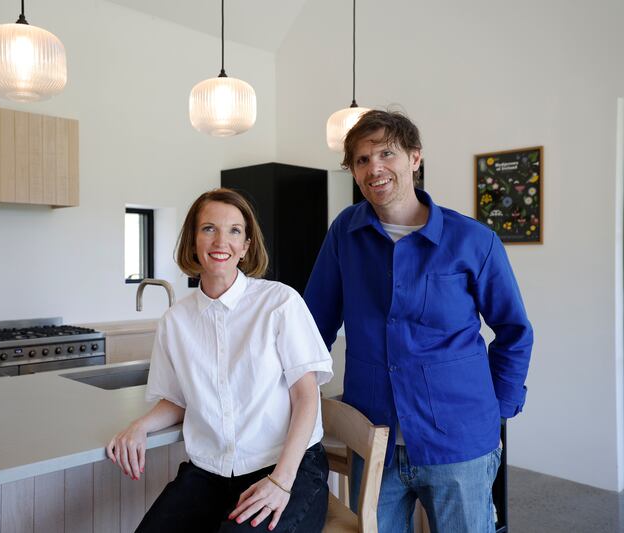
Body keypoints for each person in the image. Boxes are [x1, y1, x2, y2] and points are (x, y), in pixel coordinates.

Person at [304, 110, 533, 532]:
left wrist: (495, 412)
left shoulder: (474, 240)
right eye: (361, 159)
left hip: (458, 439)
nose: (374, 168)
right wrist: (292, 391)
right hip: (374, 437)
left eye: (386, 153)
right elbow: (314, 323)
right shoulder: (344, 233)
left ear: (415, 158)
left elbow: (515, 330)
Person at [108, 188, 333, 533]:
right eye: (209, 228)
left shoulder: (279, 303)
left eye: (234, 231)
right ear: (193, 241)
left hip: (287, 467)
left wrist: (281, 481)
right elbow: (178, 400)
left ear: (245, 247)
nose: (220, 241)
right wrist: (140, 426)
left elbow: (306, 397)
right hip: (210, 473)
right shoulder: (175, 320)